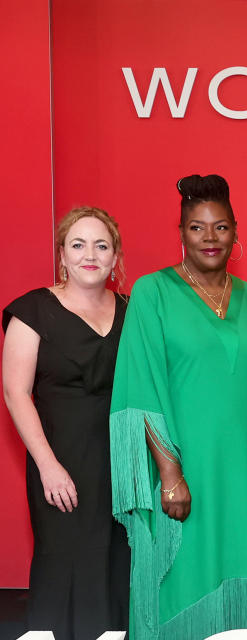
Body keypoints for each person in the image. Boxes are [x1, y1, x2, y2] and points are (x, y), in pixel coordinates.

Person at [109, 175, 247, 639]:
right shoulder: (152, 293)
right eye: (197, 227)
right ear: (180, 232)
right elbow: (140, 386)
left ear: (235, 231)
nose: (209, 238)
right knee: (182, 581)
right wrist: (169, 473)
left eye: (220, 227)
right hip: (185, 470)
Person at [2, 207, 129, 639]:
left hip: (120, 466)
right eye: (78, 245)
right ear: (62, 254)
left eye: (101, 245)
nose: (89, 255)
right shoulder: (33, 311)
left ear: (115, 258)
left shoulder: (132, 311)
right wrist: (47, 466)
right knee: (64, 563)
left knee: (115, 566)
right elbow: (15, 393)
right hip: (61, 463)